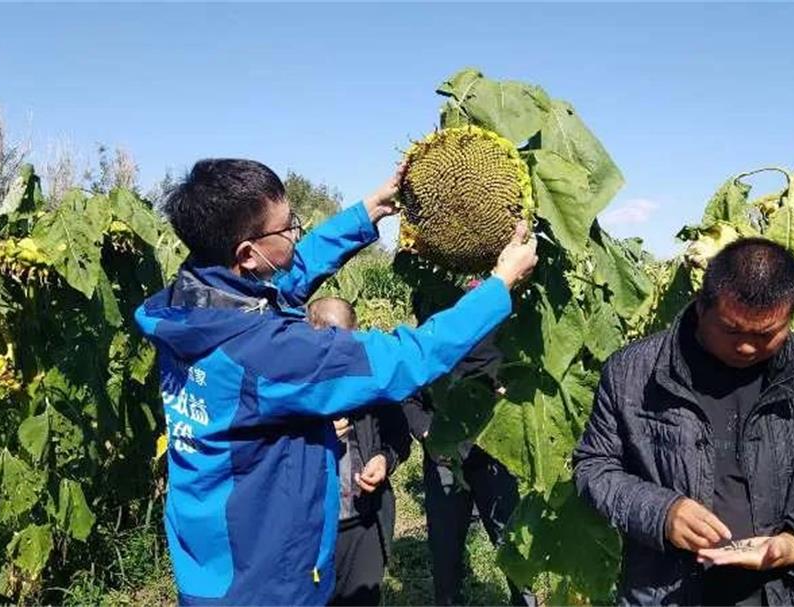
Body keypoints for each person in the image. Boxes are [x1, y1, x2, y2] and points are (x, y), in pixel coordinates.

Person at [134, 158, 537, 606]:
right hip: (265, 580)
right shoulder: (267, 355)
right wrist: (500, 285)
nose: (296, 235)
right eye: (288, 228)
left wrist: (370, 211)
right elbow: (407, 358)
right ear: (247, 253)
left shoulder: (187, 310)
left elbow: (288, 274)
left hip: (212, 557)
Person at [572, 238, 794, 606]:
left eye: (766, 334)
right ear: (702, 306)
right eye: (732, 330)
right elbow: (594, 467)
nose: (747, 347)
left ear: (790, 317)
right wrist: (661, 512)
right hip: (666, 590)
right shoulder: (633, 373)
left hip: (788, 593)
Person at [403, 280, 536, 607]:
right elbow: (408, 395)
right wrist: (429, 435)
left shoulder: (502, 339)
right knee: (446, 548)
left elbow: (523, 382)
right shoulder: (429, 344)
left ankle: (526, 601)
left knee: (511, 539)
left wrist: (510, 402)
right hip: (445, 456)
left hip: (493, 453)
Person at [306, 297, 411, 607]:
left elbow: (398, 436)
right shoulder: (292, 386)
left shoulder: (371, 381)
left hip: (366, 521)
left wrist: (384, 458)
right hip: (311, 532)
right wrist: (316, 437)